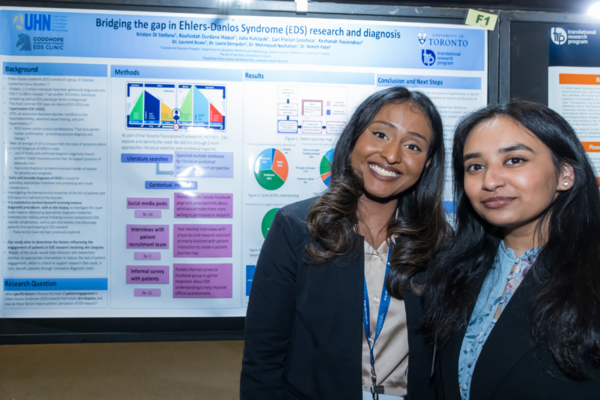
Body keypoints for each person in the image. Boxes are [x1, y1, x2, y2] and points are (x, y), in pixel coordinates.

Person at [240, 87, 451, 400]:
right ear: (353, 137)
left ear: (428, 163)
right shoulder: (297, 228)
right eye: (380, 134)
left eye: (412, 146)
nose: (392, 155)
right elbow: (264, 356)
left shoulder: (440, 244)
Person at [421, 101, 600, 400]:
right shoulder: (452, 272)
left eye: (514, 160)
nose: (490, 181)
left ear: (565, 174)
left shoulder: (592, 276)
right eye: (475, 166)